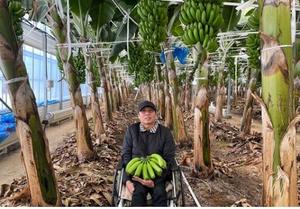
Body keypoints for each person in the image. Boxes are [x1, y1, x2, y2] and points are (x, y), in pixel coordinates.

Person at [121, 100, 176, 206]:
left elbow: (169, 158)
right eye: (143, 111)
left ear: (155, 114)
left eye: (150, 111)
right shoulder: (132, 131)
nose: (147, 113)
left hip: (158, 174)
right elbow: (126, 155)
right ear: (138, 115)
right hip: (136, 174)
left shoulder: (165, 132)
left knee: (160, 193)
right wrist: (127, 180)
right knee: (138, 193)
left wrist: (156, 181)